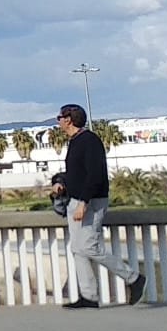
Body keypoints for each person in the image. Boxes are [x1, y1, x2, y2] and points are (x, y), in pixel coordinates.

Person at [56, 103, 145, 309]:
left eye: (59, 117)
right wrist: (61, 183)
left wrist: (83, 203)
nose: (58, 121)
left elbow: (95, 175)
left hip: (90, 202)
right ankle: (89, 296)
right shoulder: (75, 142)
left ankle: (133, 278)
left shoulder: (89, 141)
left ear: (68, 119)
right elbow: (77, 174)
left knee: (89, 246)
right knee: (78, 249)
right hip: (76, 200)